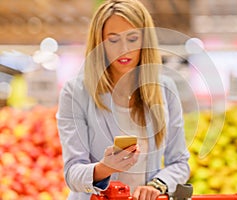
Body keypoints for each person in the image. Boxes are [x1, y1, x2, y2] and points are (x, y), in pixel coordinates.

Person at [56, 0, 190, 199]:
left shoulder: (165, 89)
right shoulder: (75, 92)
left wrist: (157, 185)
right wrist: (104, 168)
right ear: (99, 42)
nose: (124, 49)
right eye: (113, 40)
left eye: (133, 38)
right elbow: (72, 173)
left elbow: (179, 163)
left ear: (145, 41)